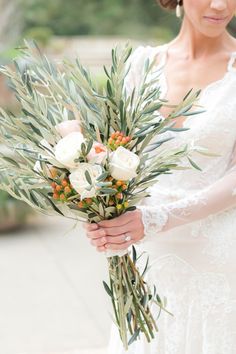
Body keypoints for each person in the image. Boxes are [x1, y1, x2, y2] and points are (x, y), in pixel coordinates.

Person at [85, 0, 236, 353]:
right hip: (145, 257)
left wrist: (158, 218)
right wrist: (99, 214)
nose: (220, 4)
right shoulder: (141, 65)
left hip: (217, 257)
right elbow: (113, 156)